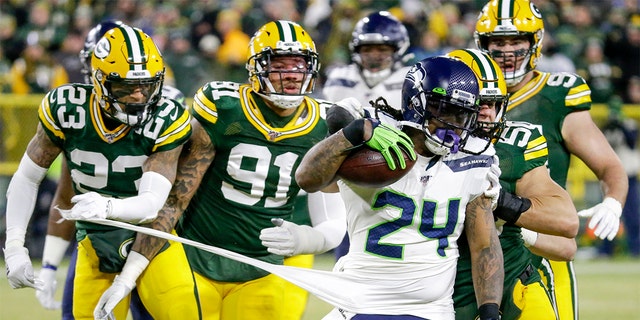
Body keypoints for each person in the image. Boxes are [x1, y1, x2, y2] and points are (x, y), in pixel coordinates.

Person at [94, 20, 346, 319]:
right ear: (257, 67)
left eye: (299, 64)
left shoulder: (324, 123)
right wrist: (128, 277)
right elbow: (175, 199)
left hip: (261, 264)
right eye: (280, 63)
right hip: (191, 249)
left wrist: (308, 240)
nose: (291, 74)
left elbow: (332, 221)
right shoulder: (224, 108)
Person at [3, 24, 200, 320]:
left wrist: (108, 206)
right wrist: (15, 246)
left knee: (181, 312)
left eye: (146, 85)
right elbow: (28, 177)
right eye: (125, 87)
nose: (137, 96)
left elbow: (152, 204)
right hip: (96, 240)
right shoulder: (68, 110)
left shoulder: (167, 116)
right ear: (99, 81)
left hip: (155, 236)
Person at [296, 56, 504, 320]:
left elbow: (484, 244)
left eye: (463, 114)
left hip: (431, 310)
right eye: (445, 110)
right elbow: (307, 179)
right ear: (416, 105)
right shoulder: (374, 135)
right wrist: (350, 134)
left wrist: (489, 309)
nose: (455, 123)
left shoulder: (475, 155)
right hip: (359, 301)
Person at [474, 1, 629, 319]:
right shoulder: (463, 95)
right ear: (483, 45)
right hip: (471, 249)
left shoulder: (556, 96)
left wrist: (613, 201)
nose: (507, 51)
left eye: (517, 41)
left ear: (535, 43)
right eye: (498, 42)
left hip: (540, 247)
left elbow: (608, 165)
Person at [447, 48, 579, 320]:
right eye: (480, 103)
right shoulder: (419, 148)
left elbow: (567, 225)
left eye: (493, 104)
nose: (487, 114)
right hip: (443, 290)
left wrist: (503, 203)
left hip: (512, 279)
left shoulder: (514, 144)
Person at [321, 9, 413, 261]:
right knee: (348, 237)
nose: (375, 56)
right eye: (368, 49)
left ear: (398, 49)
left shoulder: (410, 78)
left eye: (382, 49)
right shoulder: (340, 78)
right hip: (347, 168)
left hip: (396, 167)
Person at [598, 96, 640, 257]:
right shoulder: (606, 127)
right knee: (607, 213)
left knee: (632, 214)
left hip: (628, 175)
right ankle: (606, 250)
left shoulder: (629, 124)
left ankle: (636, 249)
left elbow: (631, 142)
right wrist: (610, 125)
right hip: (609, 177)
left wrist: (621, 124)